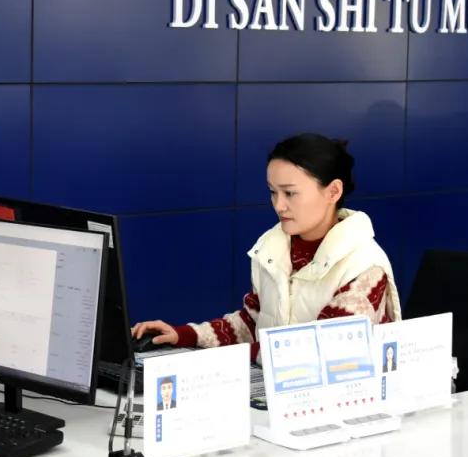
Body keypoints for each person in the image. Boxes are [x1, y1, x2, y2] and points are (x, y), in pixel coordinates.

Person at [132, 133, 401, 362]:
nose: (279, 205)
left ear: (333, 192)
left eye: (290, 193)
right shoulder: (272, 249)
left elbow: (322, 352)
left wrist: (218, 362)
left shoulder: (364, 266)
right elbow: (253, 322)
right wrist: (184, 335)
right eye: (273, 192)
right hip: (280, 394)